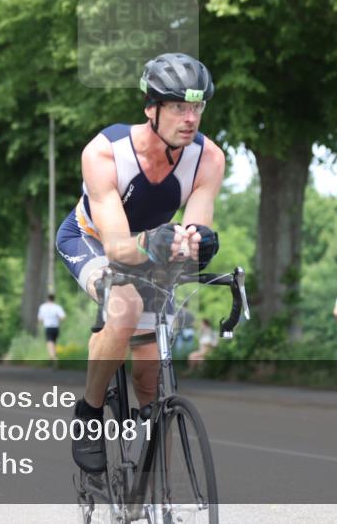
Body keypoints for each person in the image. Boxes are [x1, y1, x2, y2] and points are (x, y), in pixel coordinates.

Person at [55, 53, 224, 474]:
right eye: (179, 107)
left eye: (198, 107)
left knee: (150, 377)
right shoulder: (105, 153)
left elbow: (191, 232)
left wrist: (197, 242)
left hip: (152, 247)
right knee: (125, 307)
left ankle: (150, 496)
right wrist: (157, 241)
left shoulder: (209, 159)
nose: (191, 118)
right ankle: (90, 414)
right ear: (152, 108)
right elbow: (117, 247)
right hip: (92, 239)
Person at [37, 293, 67, 362]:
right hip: (56, 327)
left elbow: (40, 319)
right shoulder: (57, 307)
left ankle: (53, 357)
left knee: (49, 343)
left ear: (47, 299)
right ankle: (54, 356)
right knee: (54, 342)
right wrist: (56, 319)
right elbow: (63, 317)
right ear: (54, 299)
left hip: (48, 327)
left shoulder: (43, 307)